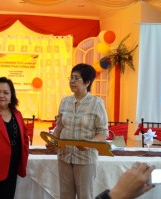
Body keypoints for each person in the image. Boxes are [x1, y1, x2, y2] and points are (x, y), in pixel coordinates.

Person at [47, 63, 109, 199]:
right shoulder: (65, 102)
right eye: (71, 77)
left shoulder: (96, 103)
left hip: (85, 158)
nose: (72, 81)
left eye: (76, 78)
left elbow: (103, 132)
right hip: (64, 156)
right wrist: (52, 141)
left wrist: (90, 143)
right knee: (65, 195)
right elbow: (59, 127)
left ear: (87, 82)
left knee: (85, 195)